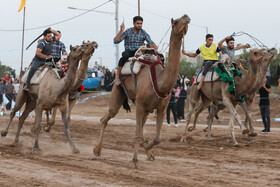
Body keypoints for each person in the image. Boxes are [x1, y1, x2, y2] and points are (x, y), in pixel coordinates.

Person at [113, 16, 158, 85]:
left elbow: (150, 41)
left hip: (139, 52)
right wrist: (121, 30)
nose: (139, 25)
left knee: (157, 57)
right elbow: (116, 41)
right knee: (124, 56)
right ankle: (117, 77)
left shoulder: (143, 33)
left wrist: (154, 46)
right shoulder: (128, 32)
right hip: (129, 52)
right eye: (138, 23)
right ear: (134, 23)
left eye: (141, 23)